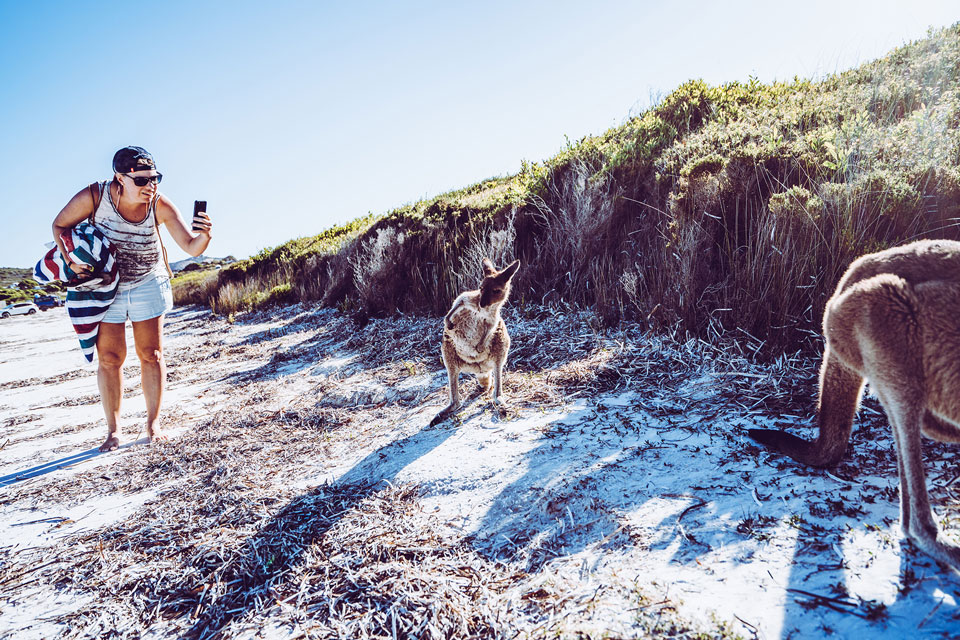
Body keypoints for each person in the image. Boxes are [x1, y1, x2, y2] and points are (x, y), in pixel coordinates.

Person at [51, 146, 213, 452]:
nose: (150, 186)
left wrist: (204, 236)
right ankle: (113, 432)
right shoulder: (95, 197)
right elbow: (60, 226)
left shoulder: (159, 205)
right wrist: (71, 262)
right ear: (120, 178)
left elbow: (191, 248)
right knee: (111, 359)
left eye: (155, 178)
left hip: (147, 282)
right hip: (105, 285)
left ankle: (153, 425)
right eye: (141, 180)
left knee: (151, 354)